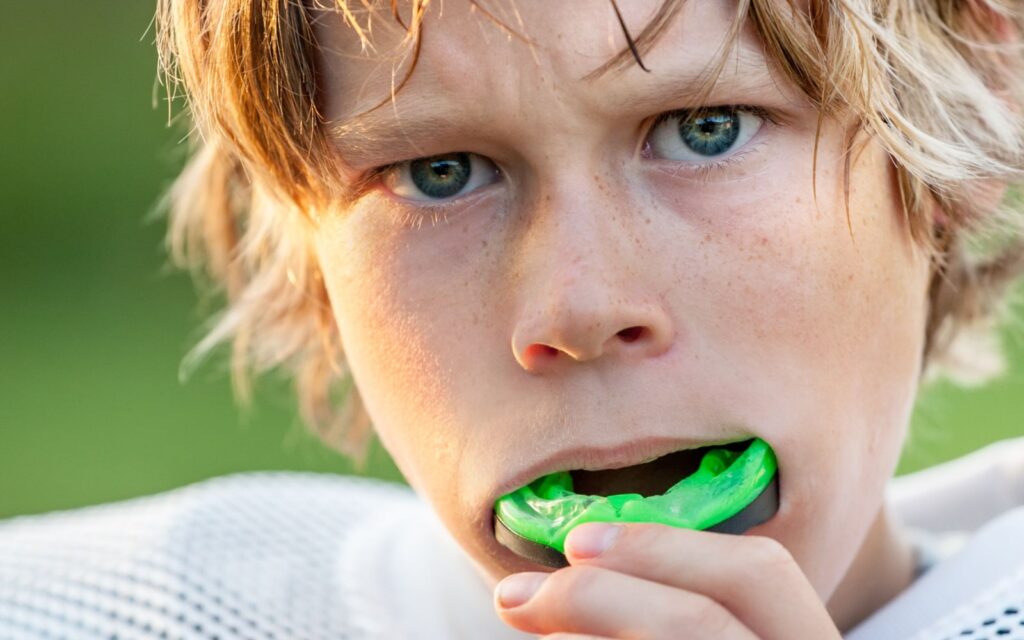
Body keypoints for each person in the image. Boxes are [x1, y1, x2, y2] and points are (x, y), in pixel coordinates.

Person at [2, 0, 1024, 637]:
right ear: (300, 237)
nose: (576, 306)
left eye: (703, 130)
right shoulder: (122, 609)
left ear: (976, 103)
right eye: (439, 173)